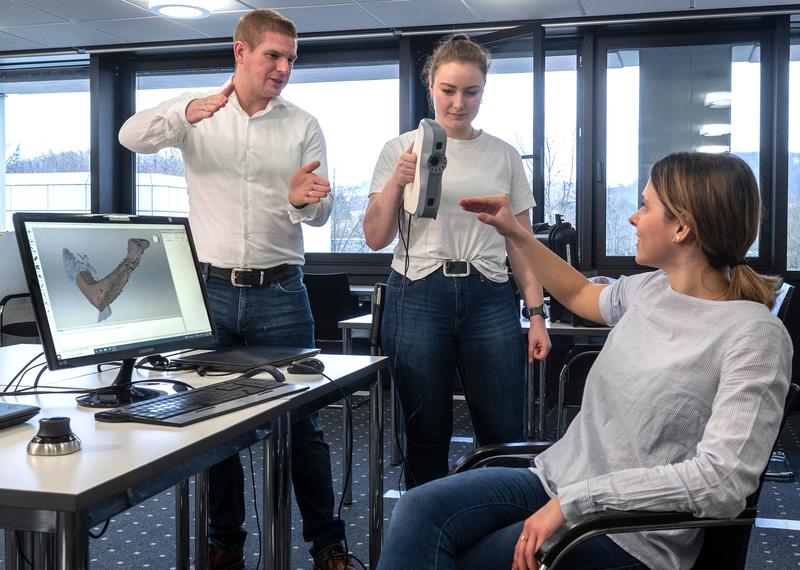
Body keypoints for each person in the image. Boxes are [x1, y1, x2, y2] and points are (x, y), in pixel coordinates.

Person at [376, 152, 793, 570]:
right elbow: (577, 293)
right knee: (419, 510)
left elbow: (721, 483)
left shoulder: (754, 334)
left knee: (465, 560)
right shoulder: (649, 290)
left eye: (645, 207)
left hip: (628, 533)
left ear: (682, 228)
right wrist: (518, 235)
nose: (633, 218)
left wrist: (575, 503)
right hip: (557, 481)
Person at [119, 9, 355, 570]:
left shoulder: (302, 124)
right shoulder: (198, 116)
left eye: (291, 59)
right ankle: (226, 543)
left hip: (281, 292)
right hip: (211, 291)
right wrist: (184, 110)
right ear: (240, 52)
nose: (283, 68)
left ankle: (328, 545)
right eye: (273, 55)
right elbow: (130, 137)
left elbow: (321, 209)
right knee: (211, 421)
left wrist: (303, 201)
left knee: (302, 423)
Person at [362, 34, 551, 488]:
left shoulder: (503, 154)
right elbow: (375, 237)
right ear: (430, 86)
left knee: (503, 433)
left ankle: (499, 539)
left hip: (487, 294)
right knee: (426, 435)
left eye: (471, 91)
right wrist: (396, 182)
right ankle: (428, 536)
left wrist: (537, 313)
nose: (459, 102)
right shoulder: (400, 148)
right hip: (417, 293)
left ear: (484, 91)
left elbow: (520, 242)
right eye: (449, 90)